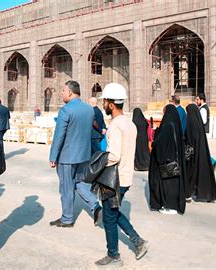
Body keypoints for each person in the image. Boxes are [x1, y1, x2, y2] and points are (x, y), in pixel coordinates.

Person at [95, 83, 148, 267]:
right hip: (125, 177)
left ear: (110, 104)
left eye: (104, 102)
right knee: (113, 212)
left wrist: (98, 163)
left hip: (114, 178)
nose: (103, 105)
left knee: (109, 218)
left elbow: (114, 155)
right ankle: (138, 241)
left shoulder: (116, 125)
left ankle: (113, 255)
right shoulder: (130, 123)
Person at [49, 80, 102, 227]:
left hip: (67, 156)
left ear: (70, 92)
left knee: (66, 187)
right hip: (84, 155)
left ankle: (67, 218)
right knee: (79, 182)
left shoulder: (66, 110)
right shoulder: (88, 109)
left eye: (63, 91)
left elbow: (59, 135)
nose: (62, 93)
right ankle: (96, 206)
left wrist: (53, 156)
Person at [148, 104, 186, 215]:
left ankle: (170, 206)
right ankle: (173, 205)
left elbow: (160, 142)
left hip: (167, 160)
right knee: (174, 183)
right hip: (175, 160)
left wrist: (154, 143)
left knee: (168, 183)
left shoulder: (168, 125)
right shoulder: (175, 124)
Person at [184, 104, 216, 202]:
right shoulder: (198, 124)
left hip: (192, 155)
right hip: (201, 153)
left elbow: (190, 139)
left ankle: (188, 195)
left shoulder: (191, 124)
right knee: (204, 173)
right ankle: (208, 195)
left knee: (190, 174)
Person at [195, 93, 216, 170]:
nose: (196, 101)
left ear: (202, 100)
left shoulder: (203, 109)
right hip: (203, 132)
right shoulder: (202, 108)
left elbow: (203, 121)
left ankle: (212, 162)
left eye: (197, 99)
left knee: (202, 149)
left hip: (202, 132)